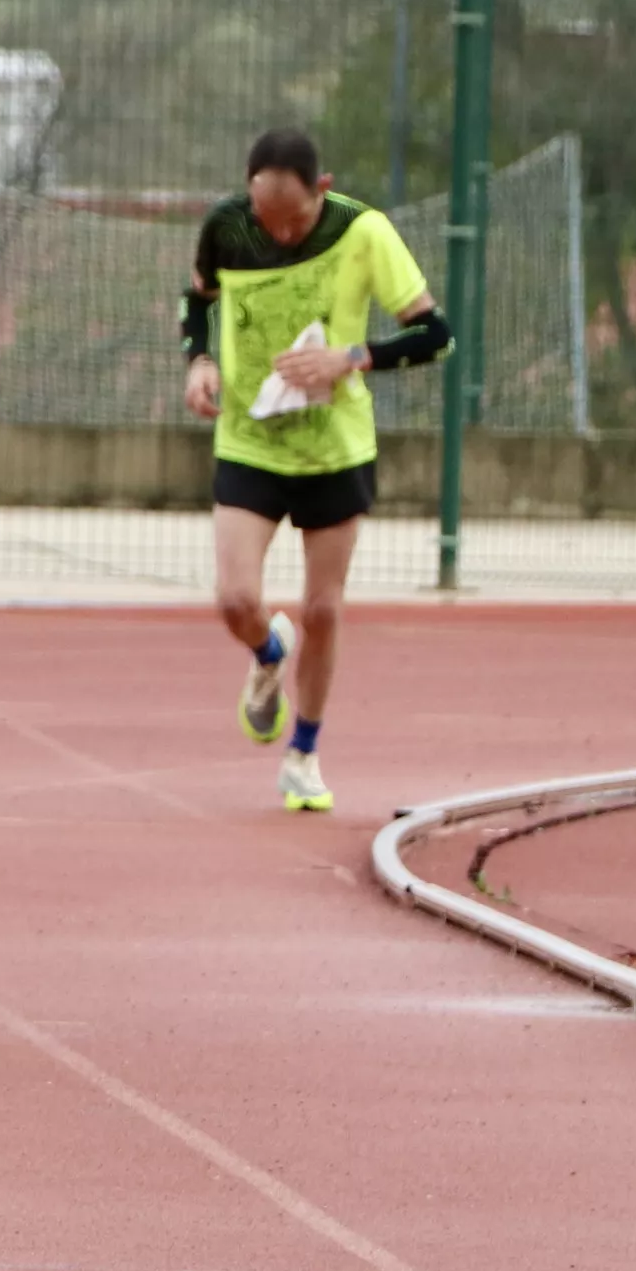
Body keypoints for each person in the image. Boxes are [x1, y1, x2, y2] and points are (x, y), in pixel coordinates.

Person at [182, 126, 445, 813]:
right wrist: (199, 360)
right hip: (249, 440)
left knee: (323, 610)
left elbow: (434, 335)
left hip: (335, 448)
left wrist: (351, 358)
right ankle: (269, 653)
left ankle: (303, 752)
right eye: (267, 218)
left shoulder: (365, 232)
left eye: (294, 220)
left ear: (322, 191)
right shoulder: (226, 228)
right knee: (236, 600)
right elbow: (197, 303)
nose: (280, 234)